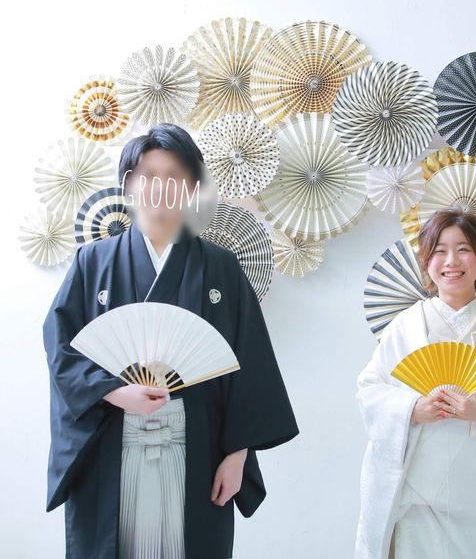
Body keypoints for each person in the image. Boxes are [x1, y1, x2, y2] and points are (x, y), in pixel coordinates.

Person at [43, 123, 299, 559]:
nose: (160, 188)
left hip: (196, 442)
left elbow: (249, 361)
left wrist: (237, 454)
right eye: (148, 176)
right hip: (112, 438)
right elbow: (61, 348)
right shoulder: (92, 262)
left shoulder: (221, 267)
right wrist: (113, 391)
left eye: (174, 176)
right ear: (129, 184)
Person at [354, 207, 476, 559]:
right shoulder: (406, 326)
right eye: (439, 250)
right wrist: (411, 409)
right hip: (418, 492)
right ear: (426, 261)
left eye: (463, 249)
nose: (451, 261)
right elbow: (370, 391)